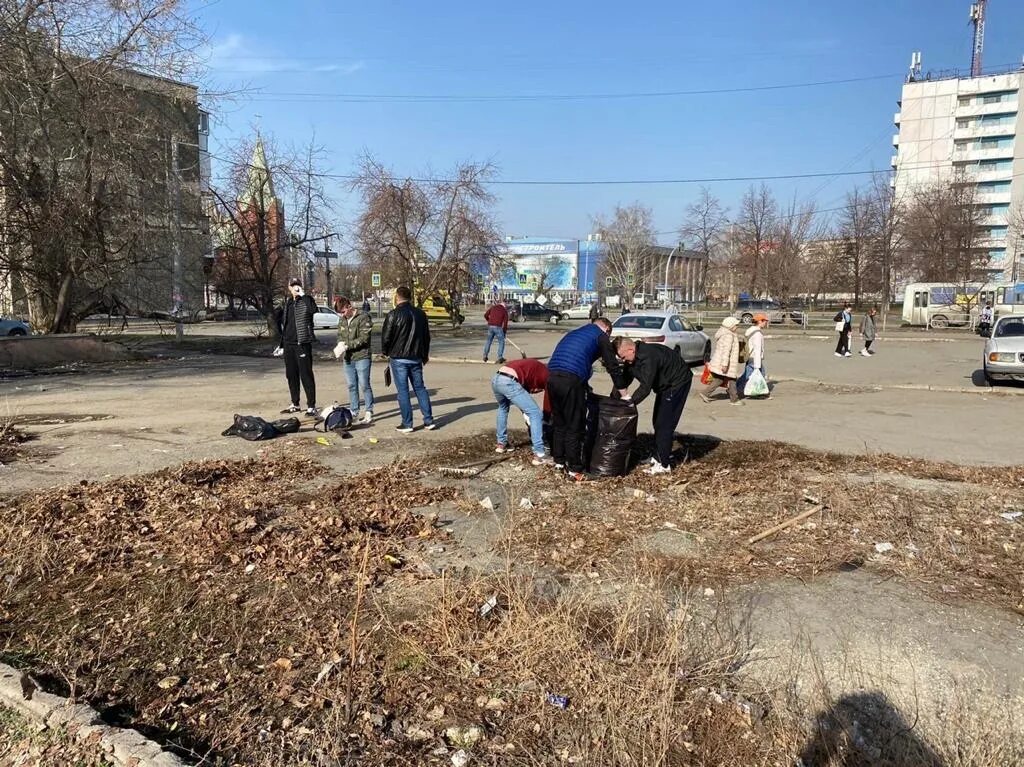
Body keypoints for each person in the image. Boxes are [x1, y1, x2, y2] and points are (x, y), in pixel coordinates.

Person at [546, 317, 630, 480]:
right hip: (570, 379)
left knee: (560, 422)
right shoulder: (601, 336)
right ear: (607, 329)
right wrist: (624, 394)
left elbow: (579, 357)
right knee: (575, 425)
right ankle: (575, 469)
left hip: (552, 377)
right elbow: (612, 365)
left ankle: (559, 461)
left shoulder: (576, 333)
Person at [613, 338, 693, 475]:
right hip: (664, 385)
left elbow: (645, 388)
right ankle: (658, 456)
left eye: (623, 357)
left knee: (664, 425)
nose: (624, 360)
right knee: (657, 422)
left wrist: (629, 404)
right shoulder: (631, 359)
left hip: (677, 383)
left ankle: (664, 465)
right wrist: (614, 400)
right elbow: (624, 379)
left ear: (630, 350)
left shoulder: (649, 357)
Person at [381, 286, 436, 433]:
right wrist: (424, 355)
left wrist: (385, 352)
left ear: (397, 297)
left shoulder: (393, 314)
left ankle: (407, 423)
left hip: (399, 358)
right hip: (416, 357)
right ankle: (429, 420)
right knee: (420, 388)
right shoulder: (421, 314)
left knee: (403, 391)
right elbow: (426, 337)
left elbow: (386, 337)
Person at [492, 358, 551, 466]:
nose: (538, 391)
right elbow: (548, 398)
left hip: (497, 378)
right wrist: (546, 417)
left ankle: (501, 444)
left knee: (503, 408)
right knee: (535, 413)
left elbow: (524, 391)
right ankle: (540, 454)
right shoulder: (548, 375)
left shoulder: (533, 368)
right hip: (509, 381)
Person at [274, 278, 318, 416]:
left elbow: (313, 310)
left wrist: (303, 295)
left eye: (296, 285)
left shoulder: (306, 300)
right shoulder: (288, 302)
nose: (295, 288)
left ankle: (311, 406)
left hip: (302, 343)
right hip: (288, 344)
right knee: (291, 375)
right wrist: (281, 343)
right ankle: (295, 403)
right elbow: (283, 321)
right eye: (292, 286)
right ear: (289, 288)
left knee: (306, 374)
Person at [334, 296, 374, 424]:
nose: (342, 315)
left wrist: (347, 345)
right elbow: (340, 335)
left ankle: (369, 411)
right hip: (348, 358)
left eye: (343, 312)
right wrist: (339, 346)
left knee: (364, 384)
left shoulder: (363, 317)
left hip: (362, 356)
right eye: (340, 313)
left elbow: (364, 338)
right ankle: (354, 411)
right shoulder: (342, 320)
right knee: (351, 385)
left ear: (349, 306)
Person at [699, 316, 743, 405]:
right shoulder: (729, 336)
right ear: (730, 326)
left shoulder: (725, 333)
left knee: (721, 379)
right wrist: (725, 364)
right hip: (725, 362)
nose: (737, 327)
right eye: (736, 325)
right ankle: (734, 399)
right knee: (729, 379)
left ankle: (706, 393)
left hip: (720, 361)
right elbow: (726, 351)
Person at [740, 313, 770, 396]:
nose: (765, 323)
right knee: (759, 374)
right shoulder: (757, 334)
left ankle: (735, 388)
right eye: (764, 321)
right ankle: (760, 392)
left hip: (750, 356)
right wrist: (757, 365)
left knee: (747, 375)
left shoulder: (751, 330)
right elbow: (757, 349)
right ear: (759, 321)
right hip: (754, 358)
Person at [483, 299, 509, 364]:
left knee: (489, 341)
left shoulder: (493, 307)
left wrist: (489, 321)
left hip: (490, 326)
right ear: (504, 306)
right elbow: (505, 323)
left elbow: (485, 315)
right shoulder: (504, 310)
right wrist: (504, 332)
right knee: (501, 342)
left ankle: (485, 355)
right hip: (498, 327)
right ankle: (500, 357)